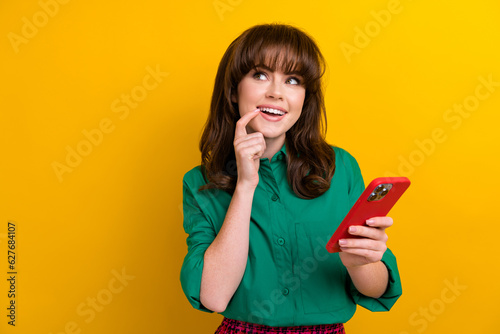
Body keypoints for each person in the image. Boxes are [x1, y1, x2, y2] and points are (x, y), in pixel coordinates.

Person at [180, 23, 402, 334]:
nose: (276, 92)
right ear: (233, 90)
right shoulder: (200, 184)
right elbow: (214, 296)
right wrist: (245, 185)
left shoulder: (340, 168)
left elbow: (376, 290)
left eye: (293, 80)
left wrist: (361, 262)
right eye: (260, 75)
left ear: (304, 97)